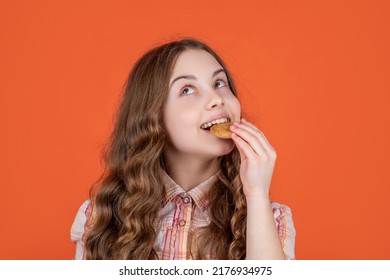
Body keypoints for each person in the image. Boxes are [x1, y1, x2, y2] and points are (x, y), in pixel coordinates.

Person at [70, 38, 296, 260]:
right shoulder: (99, 219)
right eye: (187, 89)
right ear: (153, 116)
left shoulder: (270, 219)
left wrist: (257, 194)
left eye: (219, 83)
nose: (217, 99)